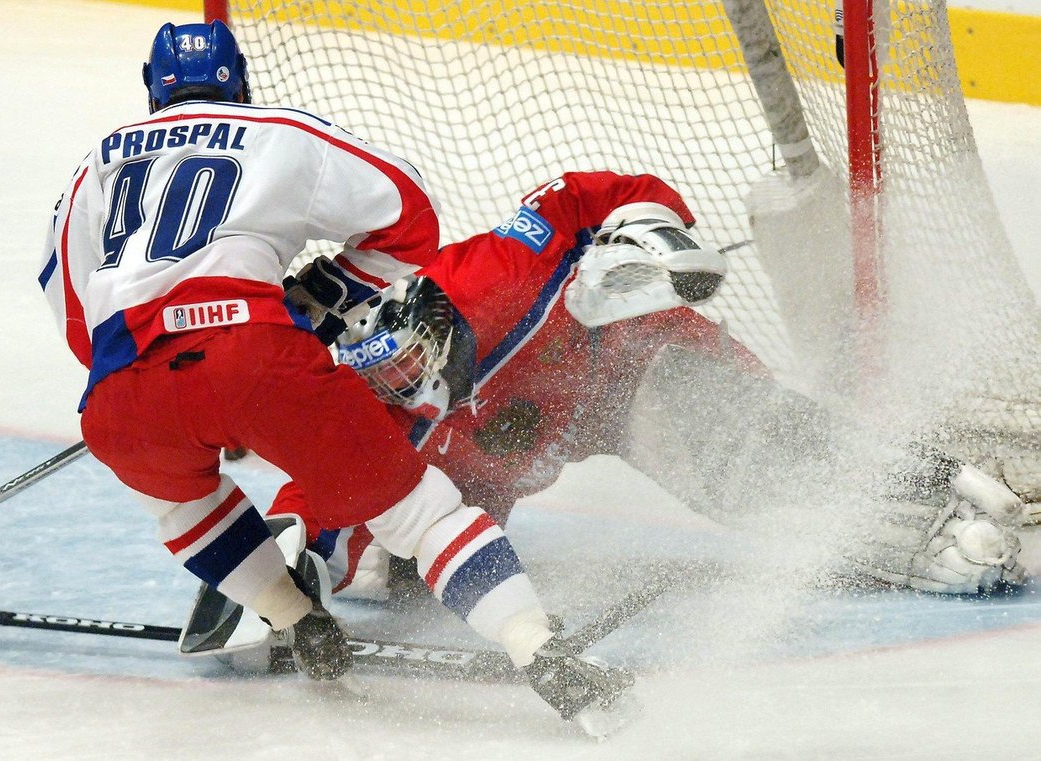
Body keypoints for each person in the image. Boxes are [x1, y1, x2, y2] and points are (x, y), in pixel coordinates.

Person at [37, 21, 634, 728]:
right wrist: (332, 288)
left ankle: (294, 615)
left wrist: (169, 386)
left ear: (150, 85)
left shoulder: (93, 164)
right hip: (255, 355)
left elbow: (71, 308)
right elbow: (408, 212)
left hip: (122, 387)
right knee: (421, 514)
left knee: (182, 504)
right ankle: (540, 648)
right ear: (240, 81)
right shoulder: (274, 130)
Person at [268, 170, 1028, 602]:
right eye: (386, 378)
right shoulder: (388, 413)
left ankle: (933, 493)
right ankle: (923, 543)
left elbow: (590, 195)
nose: (405, 384)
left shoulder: (497, 275)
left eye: (405, 364)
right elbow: (326, 489)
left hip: (628, 378)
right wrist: (292, 569)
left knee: (751, 454)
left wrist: (655, 225)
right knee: (408, 578)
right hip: (557, 436)